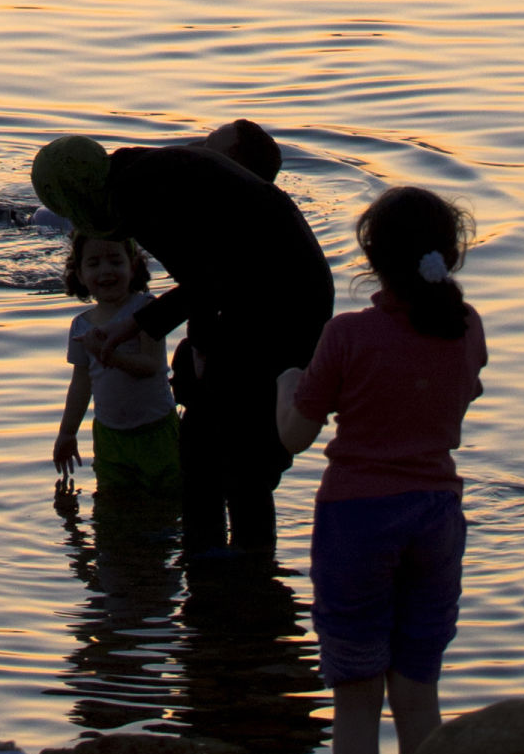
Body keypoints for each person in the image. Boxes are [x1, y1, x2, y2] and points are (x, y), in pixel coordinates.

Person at [42, 121, 335, 564]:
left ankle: (243, 565)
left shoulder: (137, 194)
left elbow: (206, 279)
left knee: (237, 450)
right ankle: (217, 565)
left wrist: (188, 343)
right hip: (281, 294)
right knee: (209, 445)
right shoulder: (139, 171)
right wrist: (158, 331)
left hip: (280, 305)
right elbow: (210, 266)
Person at [278, 187, 488, 754]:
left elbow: (294, 437)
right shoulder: (465, 326)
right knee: (418, 686)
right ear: (448, 255)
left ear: (372, 258)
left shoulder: (347, 335)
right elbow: (465, 392)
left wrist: (286, 385)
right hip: (437, 514)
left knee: (356, 689)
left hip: (357, 517)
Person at [50, 226, 181, 510]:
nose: (105, 271)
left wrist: (108, 355)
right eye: (94, 263)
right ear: (80, 274)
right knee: (113, 507)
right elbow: (81, 384)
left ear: (133, 266)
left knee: (167, 503)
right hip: (110, 436)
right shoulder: (81, 326)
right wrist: (67, 433)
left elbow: (152, 366)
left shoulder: (146, 309)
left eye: (115, 261)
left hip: (156, 431)